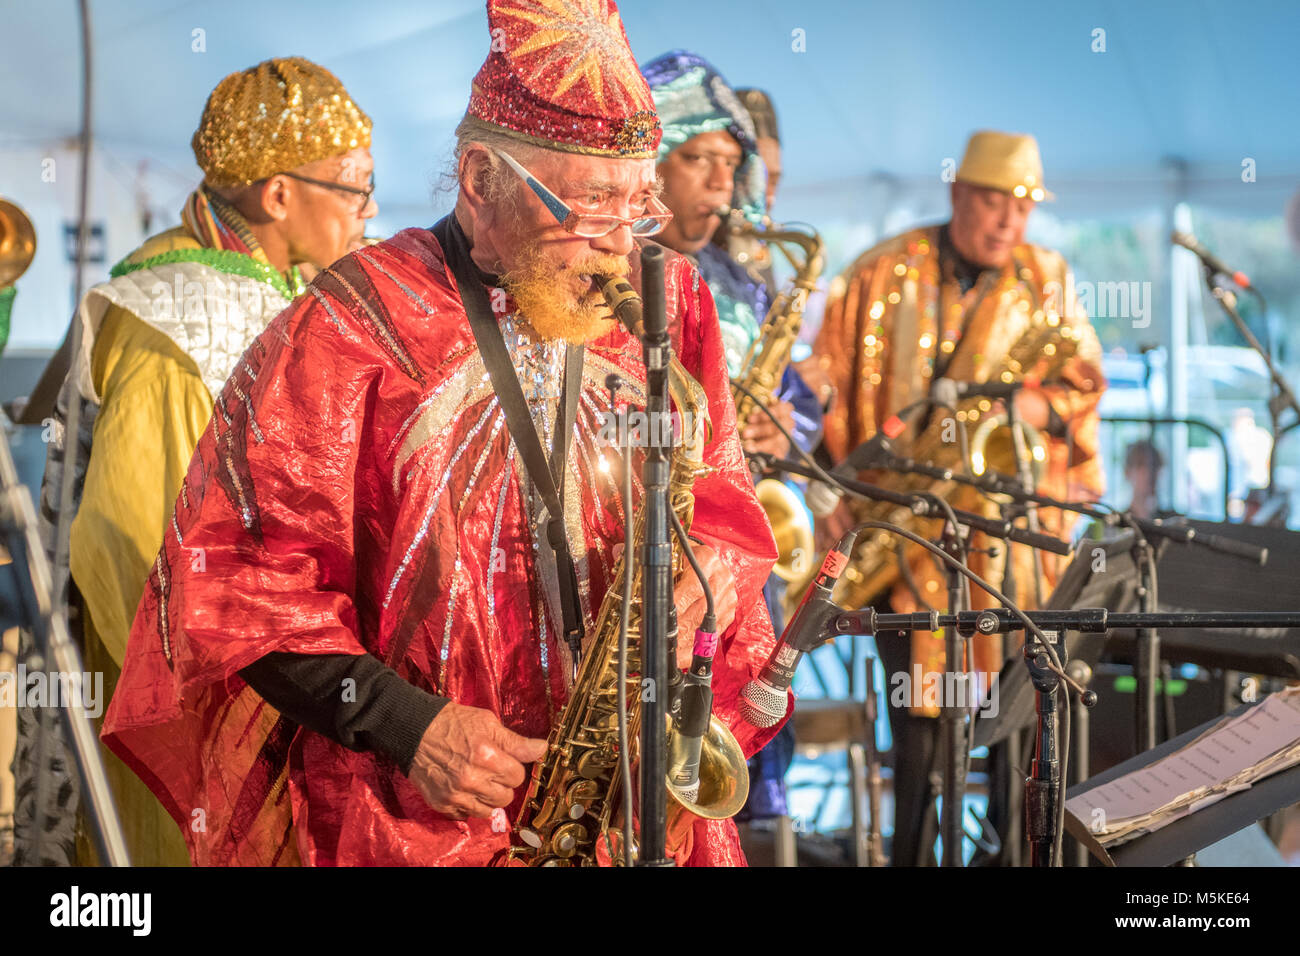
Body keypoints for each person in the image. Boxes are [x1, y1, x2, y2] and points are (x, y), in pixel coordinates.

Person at [103, 0, 784, 867]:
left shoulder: (669, 296)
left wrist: (705, 584)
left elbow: (724, 507)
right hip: (413, 815)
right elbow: (233, 581)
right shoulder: (352, 321)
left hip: (629, 804)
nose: (621, 246)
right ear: (479, 178)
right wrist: (405, 724)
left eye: (636, 205)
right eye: (590, 206)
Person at [12, 57, 376, 867]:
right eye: (352, 185)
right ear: (278, 195)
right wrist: (235, 713)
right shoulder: (178, 316)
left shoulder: (273, 284)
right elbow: (129, 540)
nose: (369, 209)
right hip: (196, 722)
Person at [813, 130, 1105, 865]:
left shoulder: (1048, 276)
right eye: (992, 200)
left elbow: (1083, 385)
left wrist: (1029, 412)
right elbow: (817, 396)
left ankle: (1010, 857)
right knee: (919, 734)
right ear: (955, 194)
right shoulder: (878, 272)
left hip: (1008, 557)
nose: (1009, 220)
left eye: (1023, 205)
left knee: (1013, 732)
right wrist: (827, 496)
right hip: (901, 552)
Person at [640, 52, 819, 846]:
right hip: (652, 555)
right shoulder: (619, 272)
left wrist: (787, 424)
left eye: (729, 163)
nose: (719, 183)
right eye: (696, 159)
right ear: (652, 159)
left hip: (740, 559)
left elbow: (801, 406)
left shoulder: (745, 285)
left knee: (733, 775)